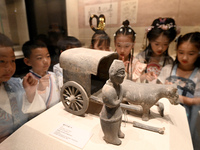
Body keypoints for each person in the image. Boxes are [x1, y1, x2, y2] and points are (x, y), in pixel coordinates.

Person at [158, 32, 200, 150]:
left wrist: (180, 98)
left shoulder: (198, 75)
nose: (185, 57)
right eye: (181, 52)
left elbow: (198, 100)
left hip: (188, 119)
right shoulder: (168, 69)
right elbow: (158, 91)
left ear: (198, 53)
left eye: (191, 53)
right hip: (167, 115)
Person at [0, 33, 38, 142]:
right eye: (2, 61)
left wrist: (30, 94)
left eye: (12, 60)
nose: (9, 68)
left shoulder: (16, 84)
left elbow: (31, 115)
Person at [22, 40, 60, 117]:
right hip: (39, 119)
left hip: (57, 114)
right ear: (27, 62)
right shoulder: (27, 82)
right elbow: (30, 109)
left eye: (48, 56)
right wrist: (39, 90)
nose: (46, 61)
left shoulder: (54, 76)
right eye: (39, 58)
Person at [134, 17, 178, 83]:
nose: (160, 48)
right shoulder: (140, 57)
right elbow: (132, 80)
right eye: (157, 44)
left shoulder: (169, 61)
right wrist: (143, 77)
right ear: (150, 40)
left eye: (165, 44)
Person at [100, 59, 125, 145]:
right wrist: (119, 100)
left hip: (117, 110)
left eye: (124, 72)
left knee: (119, 120)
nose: (123, 76)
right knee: (113, 122)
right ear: (112, 74)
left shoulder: (118, 86)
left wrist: (119, 100)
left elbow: (118, 99)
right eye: (121, 73)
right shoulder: (108, 89)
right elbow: (111, 104)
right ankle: (111, 138)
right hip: (108, 114)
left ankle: (118, 132)